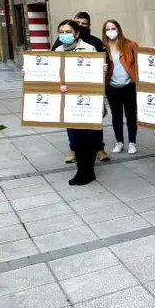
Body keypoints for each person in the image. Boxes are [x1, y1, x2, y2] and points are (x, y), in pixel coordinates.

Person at [52, 19, 107, 185]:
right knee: (76, 138)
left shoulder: (89, 49)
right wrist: (31, 73)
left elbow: (96, 78)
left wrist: (101, 70)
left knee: (87, 138)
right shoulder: (58, 50)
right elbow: (51, 75)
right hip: (68, 102)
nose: (64, 35)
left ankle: (88, 172)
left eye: (68, 32)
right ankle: (81, 171)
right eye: (61, 32)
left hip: (87, 101)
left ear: (76, 33)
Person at [102, 20, 139, 155]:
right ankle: (119, 142)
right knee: (116, 115)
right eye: (108, 29)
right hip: (112, 87)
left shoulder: (130, 45)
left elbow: (139, 61)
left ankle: (132, 142)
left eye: (113, 28)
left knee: (130, 115)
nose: (111, 31)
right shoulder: (103, 47)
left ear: (119, 29)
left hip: (129, 85)